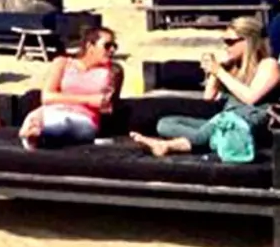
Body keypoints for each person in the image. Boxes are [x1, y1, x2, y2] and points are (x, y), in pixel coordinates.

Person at [131, 16, 280, 158]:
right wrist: (213, 73)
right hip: (222, 121)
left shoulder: (268, 65)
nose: (226, 46)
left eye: (230, 42)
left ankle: (168, 146)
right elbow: (208, 97)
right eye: (224, 41)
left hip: (250, 121)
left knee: (219, 125)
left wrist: (220, 72)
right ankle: (221, 141)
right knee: (165, 124)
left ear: (247, 41)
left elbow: (251, 98)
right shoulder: (233, 68)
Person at [17, 26, 122, 150]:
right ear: (90, 46)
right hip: (52, 111)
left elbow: (107, 105)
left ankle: (40, 134)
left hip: (84, 118)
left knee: (67, 123)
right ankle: (36, 132)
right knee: (40, 117)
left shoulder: (113, 71)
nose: (112, 50)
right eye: (107, 45)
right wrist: (88, 100)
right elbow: (47, 97)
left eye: (114, 46)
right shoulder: (62, 63)